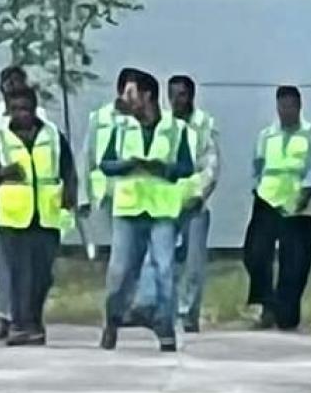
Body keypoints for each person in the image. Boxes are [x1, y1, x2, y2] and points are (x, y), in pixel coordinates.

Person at [98, 72, 194, 352]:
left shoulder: (177, 130)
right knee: (119, 271)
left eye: (131, 94)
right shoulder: (122, 128)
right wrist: (127, 165)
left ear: (147, 96)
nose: (125, 100)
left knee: (164, 269)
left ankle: (165, 327)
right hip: (128, 209)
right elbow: (106, 164)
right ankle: (112, 321)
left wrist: (163, 169)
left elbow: (186, 167)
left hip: (162, 211)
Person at [0, 84, 77, 346]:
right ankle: (20, 325)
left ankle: (35, 321)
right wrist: (1, 173)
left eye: (25, 108)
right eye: (15, 109)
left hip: (47, 215)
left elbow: (68, 168)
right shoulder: (0, 137)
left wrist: (70, 194)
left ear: (35, 109)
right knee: (19, 273)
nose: (21, 113)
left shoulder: (53, 135)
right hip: (13, 216)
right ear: (9, 111)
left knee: (42, 275)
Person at [129, 75, 219, 334]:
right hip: (165, 203)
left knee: (193, 263)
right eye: (172, 95)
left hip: (194, 205)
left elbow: (210, 167)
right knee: (156, 257)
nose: (176, 100)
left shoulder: (203, 125)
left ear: (191, 96)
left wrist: (197, 195)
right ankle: (147, 305)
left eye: (181, 95)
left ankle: (188, 314)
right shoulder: (164, 125)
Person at [244, 86, 311, 330]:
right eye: (282, 106)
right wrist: (258, 189)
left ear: (299, 107)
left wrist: (304, 195)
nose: (286, 112)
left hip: (298, 205)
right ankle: (267, 304)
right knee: (255, 254)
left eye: (291, 106)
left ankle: (286, 313)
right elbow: (257, 166)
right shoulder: (266, 136)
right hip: (267, 201)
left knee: (295, 263)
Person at [0, 65, 48, 341]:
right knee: (2, 264)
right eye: (7, 81)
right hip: (2, 201)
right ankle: (6, 315)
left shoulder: (42, 119)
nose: (12, 85)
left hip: (39, 206)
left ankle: (28, 317)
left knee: (33, 267)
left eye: (17, 81)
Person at [80, 68, 142, 240]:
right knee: (117, 241)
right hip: (107, 194)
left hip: (135, 192)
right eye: (128, 91)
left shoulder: (145, 118)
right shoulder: (101, 117)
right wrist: (83, 197)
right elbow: (87, 156)